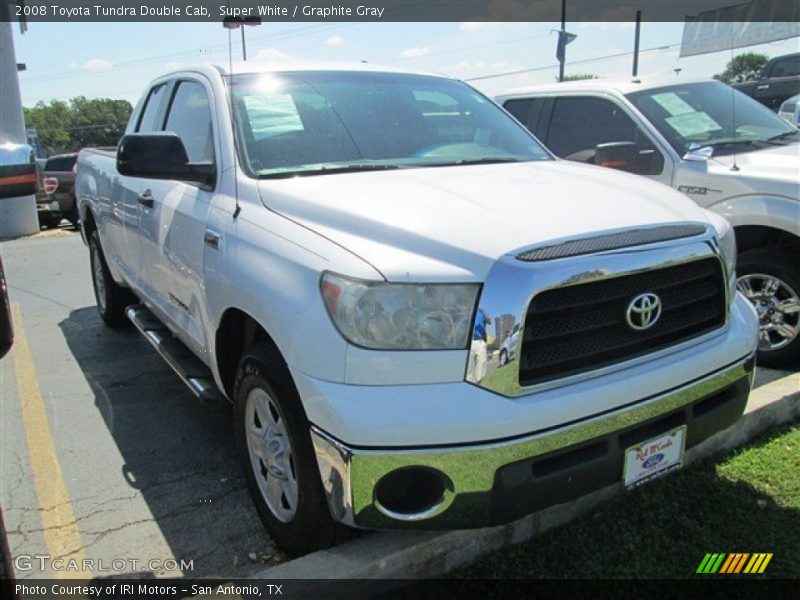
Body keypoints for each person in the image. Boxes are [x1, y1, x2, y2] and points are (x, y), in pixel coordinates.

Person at [467, 308, 491, 382]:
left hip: (480, 342)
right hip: (468, 342)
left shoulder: (482, 311)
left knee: (481, 365)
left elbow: (489, 322)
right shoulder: (467, 311)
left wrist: (483, 313)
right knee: (469, 369)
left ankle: (479, 384)